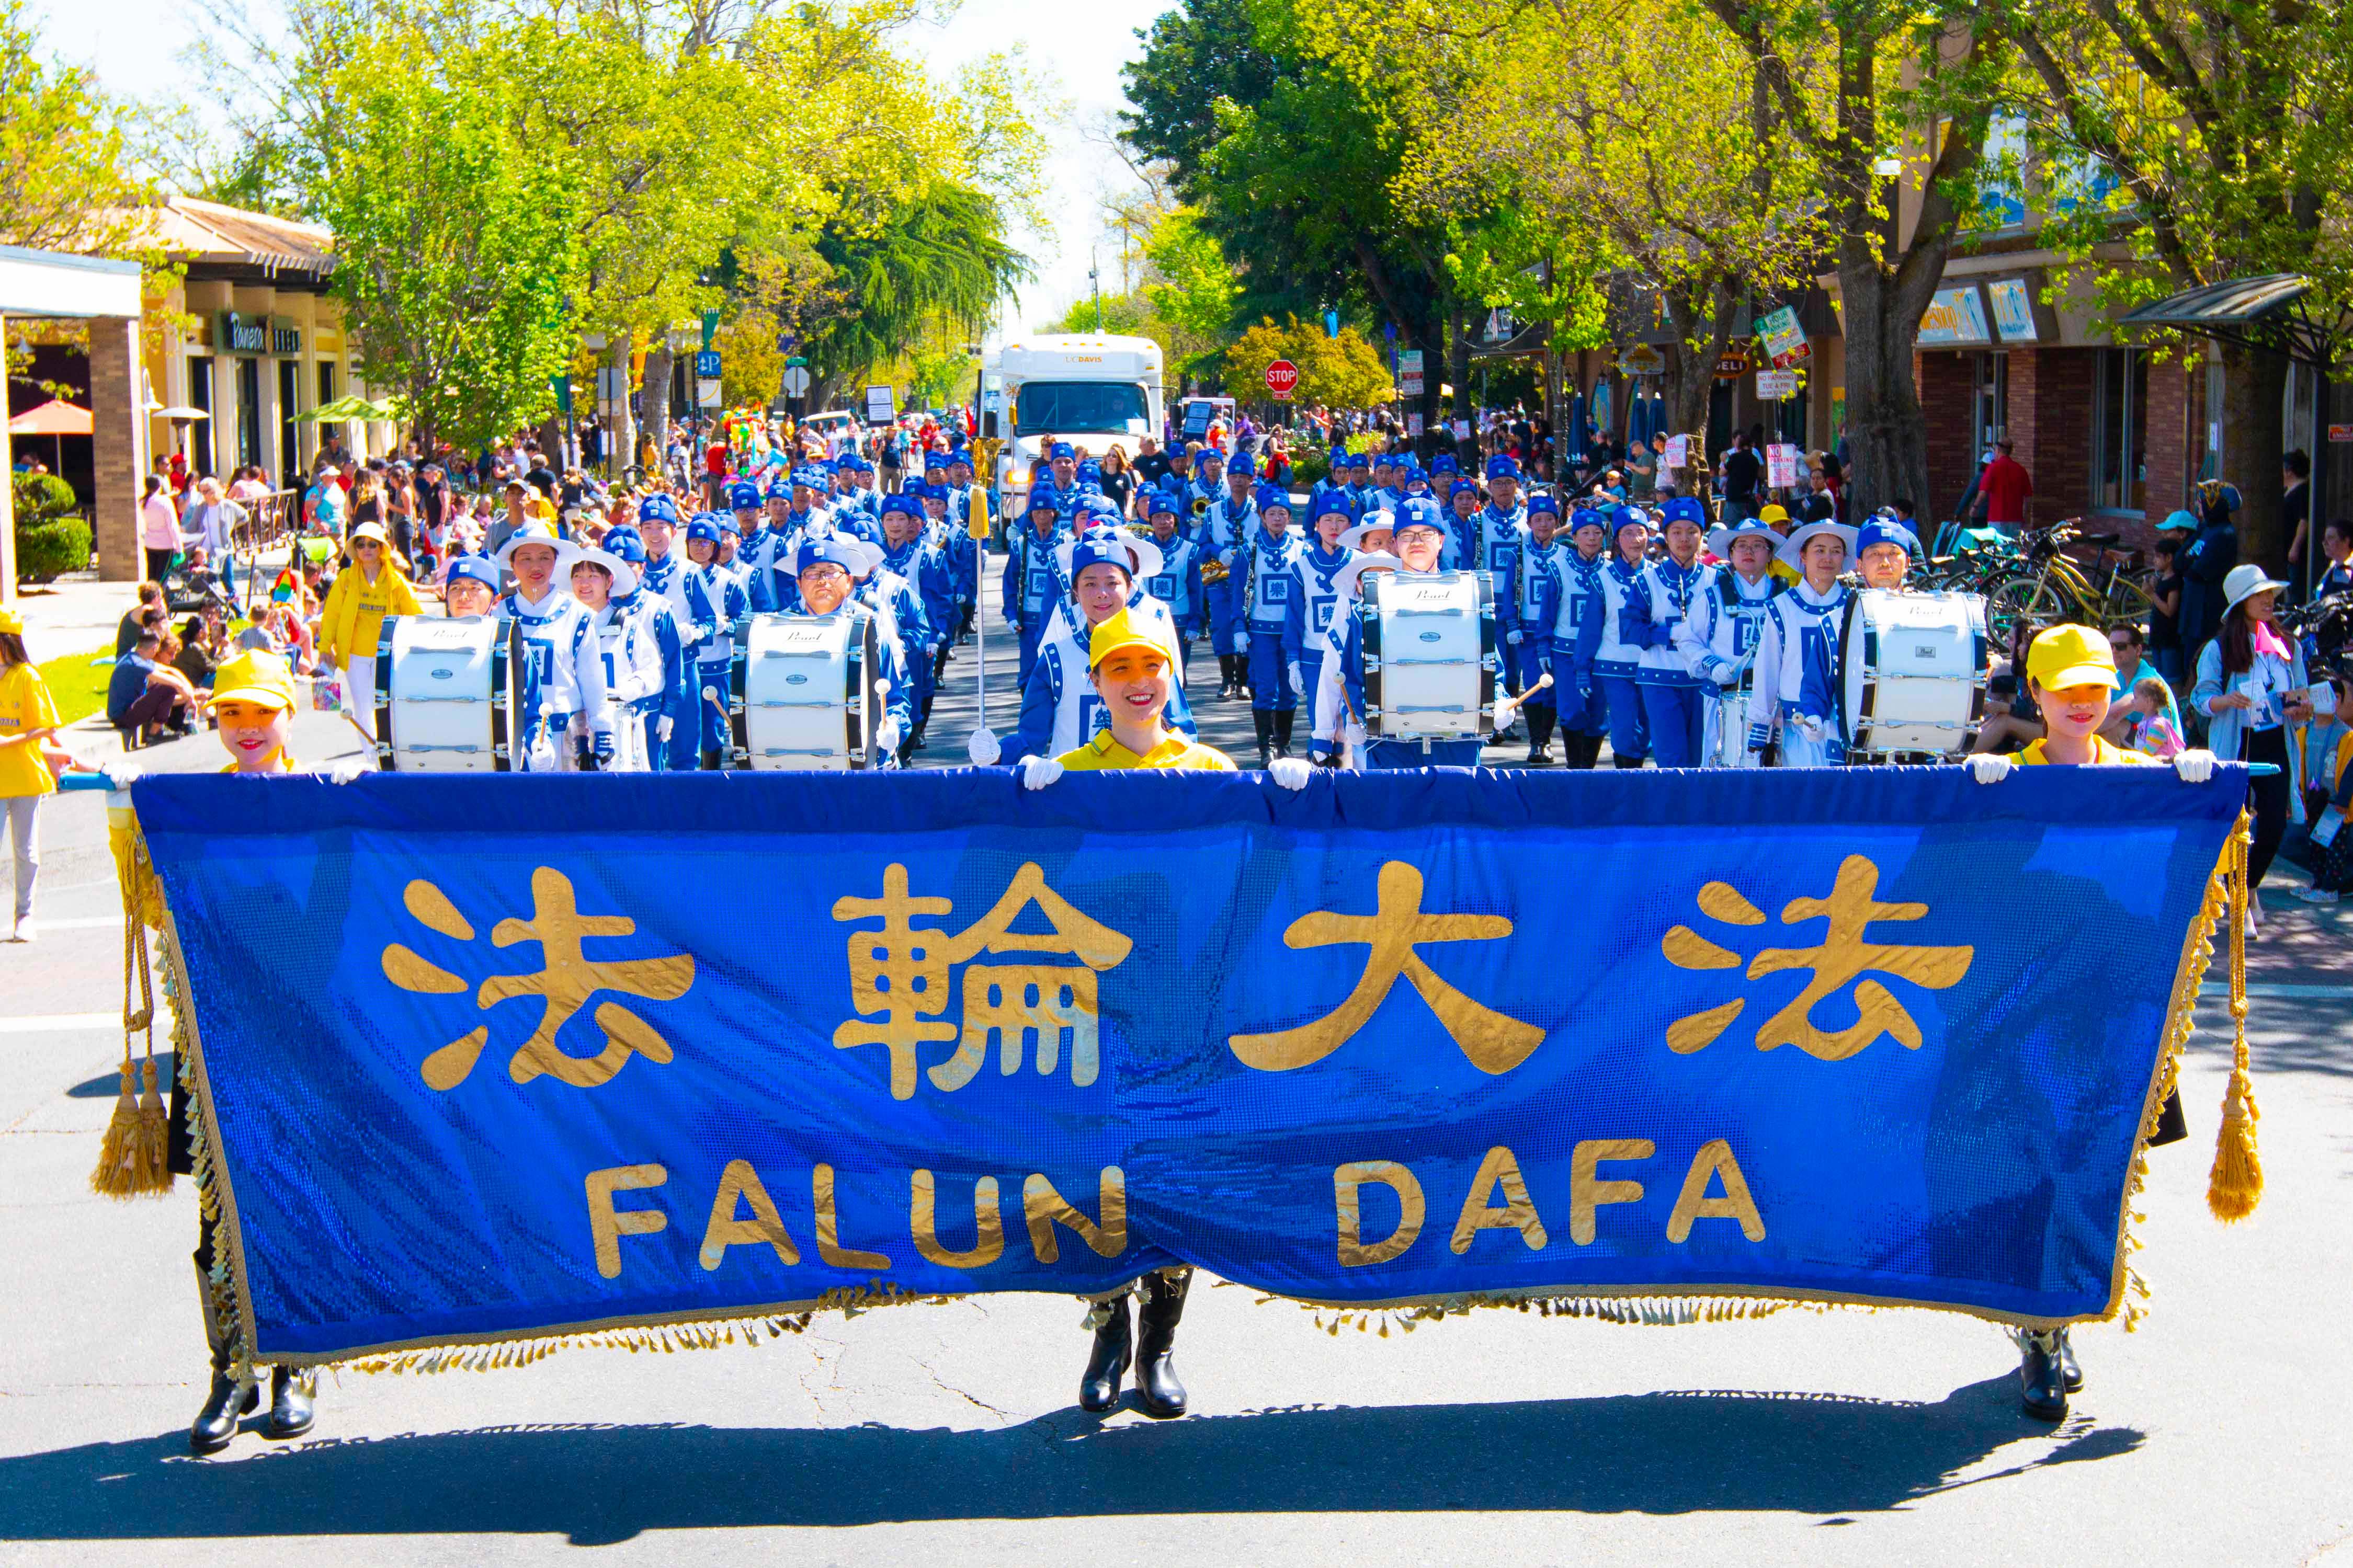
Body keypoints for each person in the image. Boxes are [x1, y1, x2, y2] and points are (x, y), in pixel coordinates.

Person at [1013, 603, 1294, 1418]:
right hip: (1096, 1004)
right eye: (1119, 669)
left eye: (1150, 667)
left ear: (1171, 674)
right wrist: (1020, 800)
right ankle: (1107, 1330)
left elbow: (1255, 873)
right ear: (1096, 682)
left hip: (1187, 1003)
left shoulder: (1210, 766)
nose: (1138, 683)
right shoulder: (1068, 770)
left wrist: (1290, 800)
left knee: (1174, 1164)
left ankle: (1161, 1343)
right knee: (1098, 1166)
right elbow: (1023, 882)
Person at [1963, 623, 2218, 1420]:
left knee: (2088, 1171)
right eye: (2062, 686)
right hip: (2023, 1019)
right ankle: (2042, 1330)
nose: (2080, 701)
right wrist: (1964, 799)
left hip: (2109, 1018)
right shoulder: (2000, 781)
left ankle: (2055, 1314)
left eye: (2094, 686)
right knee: (2032, 1168)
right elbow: (1947, 884)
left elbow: (2188, 889)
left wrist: (2201, 796)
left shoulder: (2148, 781)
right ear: (2032, 693)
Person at [174, 647, 321, 1452]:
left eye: (261, 711)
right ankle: (229, 1370)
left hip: (298, 1036)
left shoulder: (322, 803)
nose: (247, 728)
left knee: (295, 1192)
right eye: (231, 712)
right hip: (216, 1036)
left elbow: (328, 929)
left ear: (288, 715)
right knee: (218, 1210)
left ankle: (296, 1360)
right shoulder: (192, 811)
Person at [971, 527, 1192, 768]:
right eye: (1090, 584)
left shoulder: (1153, 651)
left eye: (1112, 583)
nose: (1102, 594)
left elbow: (1181, 730)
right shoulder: (1056, 659)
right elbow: (1031, 736)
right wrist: (998, 754)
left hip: (1142, 788)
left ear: (1129, 588)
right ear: (1075, 591)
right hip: (1073, 791)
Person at [2192, 563, 2317, 915]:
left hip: (2276, 742)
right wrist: (2226, 701)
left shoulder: (2286, 643)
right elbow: (2202, 700)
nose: (2268, 600)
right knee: (2235, 823)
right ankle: (2240, 898)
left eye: (2270, 594)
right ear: (2239, 603)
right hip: (2237, 743)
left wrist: (2301, 708)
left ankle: (2246, 887)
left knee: (2276, 823)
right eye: (2259, 595)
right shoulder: (2217, 648)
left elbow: (2300, 696)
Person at [497, 522, 610, 772]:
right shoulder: (499, 615)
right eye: (526, 559)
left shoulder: (579, 615)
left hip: (568, 738)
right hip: (514, 737)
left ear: (556, 562)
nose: (536, 566)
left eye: (544, 558)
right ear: (513, 565)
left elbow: (592, 680)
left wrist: (603, 731)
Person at [1675, 516, 1785, 768]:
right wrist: (1711, 664)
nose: (1749, 551)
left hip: (1773, 706)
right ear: (1731, 553)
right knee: (1721, 768)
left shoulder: (1785, 598)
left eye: (1758, 545)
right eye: (1742, 546)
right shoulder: (1713, 596)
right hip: (1722, 700)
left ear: (1770, 554)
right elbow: (1687, 639)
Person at [1747, 519, 1857, 766]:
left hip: (1843, 729)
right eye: (1819, 550)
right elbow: (1768, 669)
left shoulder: (1856, 607)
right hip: (1795, 727)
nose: (1827, 558)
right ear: (1803, 557)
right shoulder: (1782, 607)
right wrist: (1761, 723)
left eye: (1836, 551)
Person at [1624, 497, 1713, 766]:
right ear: (1666, 536)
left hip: (1705, 681)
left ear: (1702, 535)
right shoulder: (1646, 580)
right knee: (1672, 760)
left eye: (1692, 532)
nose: (1684, 539)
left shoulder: (1717, 579)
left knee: (1703, 757)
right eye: (1676, 532)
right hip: (1660, 679)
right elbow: (1630, 629)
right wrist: (1668, 634)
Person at [315, 521, 423, 725]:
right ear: (355, 549)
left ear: (381, 548)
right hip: (355, 656)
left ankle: (386, 754)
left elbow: (415, 616)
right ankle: (373, 756)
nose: (366, 549)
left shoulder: (396, 581)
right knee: (363, 709)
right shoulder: (345, 579)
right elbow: (332, 615)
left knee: (388, 708)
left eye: (372, 544)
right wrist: (325, 647)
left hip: (387, 655)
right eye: (361, 544)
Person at [0, 609, 61, 942]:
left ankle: (24, 915)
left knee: (26, 851)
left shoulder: (28, 677)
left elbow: (45, 726)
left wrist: (10, 740)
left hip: (25, 779)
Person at [1236, 484, 1307, 764]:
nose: (1277, 518)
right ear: (1263, 517)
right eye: (1272, 513)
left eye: (1283, 513)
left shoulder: (1302, 549)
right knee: (1266, 689)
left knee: (1290, 689)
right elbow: (1238, 593)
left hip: (1292, 632)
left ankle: (1284, 745)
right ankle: (1265, 748)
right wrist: (1239, 627)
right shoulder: (1247, 551)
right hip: (1261, 632)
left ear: (1289, 516)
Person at [570, 546, 655, 771]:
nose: (584, 584)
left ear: (609, 582)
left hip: (618, 727)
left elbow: (652, 669)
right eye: (578, 576)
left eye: (592, 577)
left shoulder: (627, 625)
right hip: (573, 730)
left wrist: (631, 688)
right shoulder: (564, 626)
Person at [2178, 480, 2241, 656]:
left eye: (2202, 501)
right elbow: (2179, 561)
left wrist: (2188, 562)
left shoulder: (2224, 534)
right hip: (2191, 610)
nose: (2198, 505)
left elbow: (2196, 572)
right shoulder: (2206, 528)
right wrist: (2188, 563)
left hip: (2206, 612)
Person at [107, 628, 198, 745]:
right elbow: (175, 683)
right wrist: (190, 699)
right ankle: (154, 734)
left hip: (128, 711)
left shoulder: (137, 658)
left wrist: (189, 693)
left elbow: (170, 671)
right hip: (123, 717)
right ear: (155, 648)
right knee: (168, 688)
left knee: (166, 688)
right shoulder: (137, 664)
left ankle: (156, 730)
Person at [2148, 517, 2191, 685]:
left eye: (2158, 557)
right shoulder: (2163, 579)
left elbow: (2169, 610)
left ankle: (2175, 710)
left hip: (2169, 639)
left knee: (2172, 680)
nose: (2154, 560)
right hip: (2158, 636)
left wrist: (2152, 594)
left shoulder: (2175, 582)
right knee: (2159, 678)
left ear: (2169, 559)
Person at [1975, 439, 2031, 528]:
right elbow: (2028, 497)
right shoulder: (2020, 470)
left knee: (1998, 542)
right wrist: (2027, 515)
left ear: (1998, 450)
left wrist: (1975, 507)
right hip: (2016, 519)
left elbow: (1983, 492)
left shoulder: (1993, 468)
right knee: (2014, 542)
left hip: (1997, 518)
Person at [139, 474, 181, 584]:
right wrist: (180, 548)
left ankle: (149, 598)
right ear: (160, 486)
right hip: (165, 545)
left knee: (152, 577)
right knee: (162, 578)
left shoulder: (143, 502)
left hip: (150, 544)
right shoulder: (165, 502)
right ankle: (159, 599)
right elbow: (173, 527)